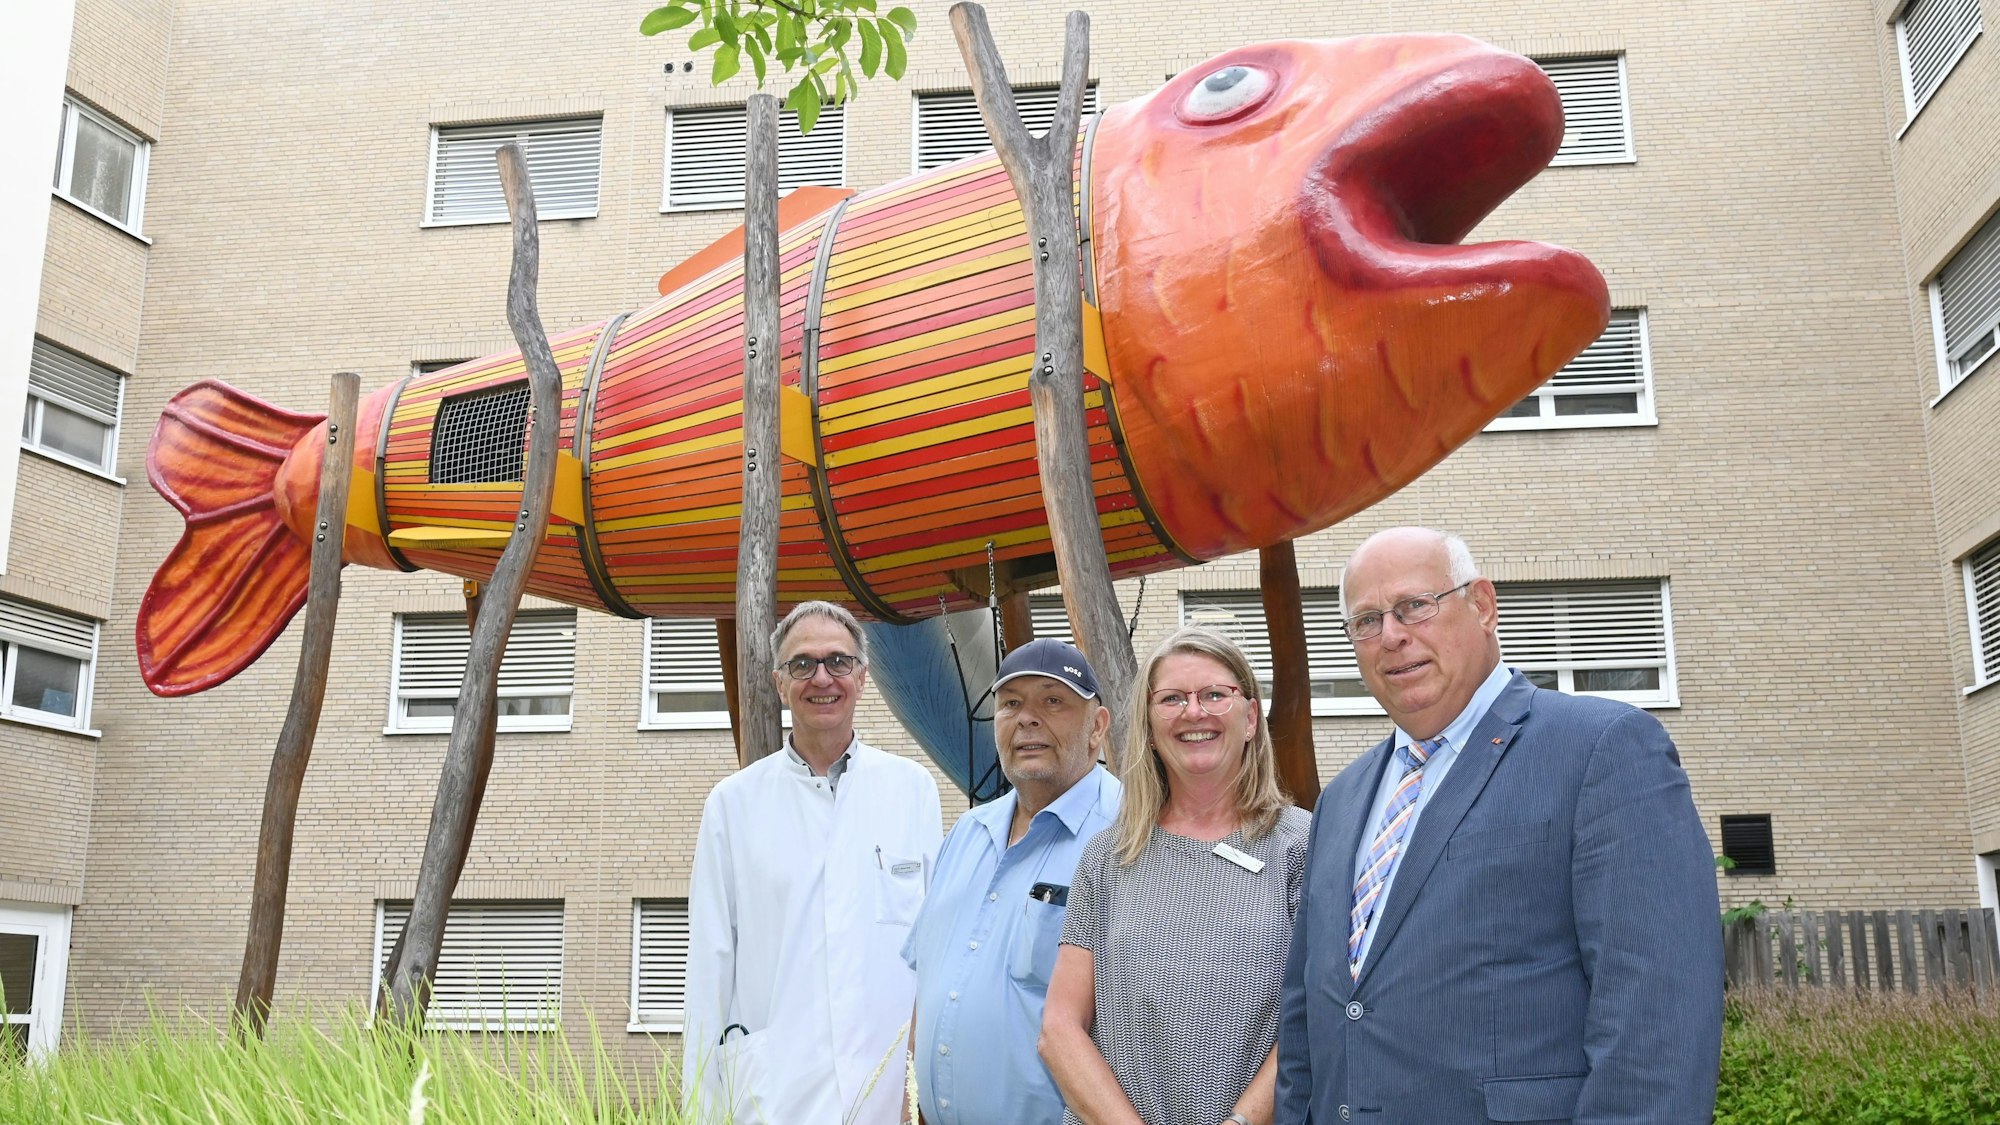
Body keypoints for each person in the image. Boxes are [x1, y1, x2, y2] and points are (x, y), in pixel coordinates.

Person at [1276, 527, 1723, 1124]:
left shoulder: (1601, 750)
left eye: (1414, 606)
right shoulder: (1343, 798)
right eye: (1365, 621)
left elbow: (1657, 1027)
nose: (1391, 636)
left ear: (1482, 605)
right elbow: (1310, 1015)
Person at [682, 601, 942, 1125]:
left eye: (838, 662)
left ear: (863, 677)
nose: (822, 677)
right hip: (775, 1094)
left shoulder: (913, 790)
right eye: (802, 664)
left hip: (886, 1091)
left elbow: (934, 952)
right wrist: (701, 1109)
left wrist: (931, 1091)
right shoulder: (733, 805)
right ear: (780, 684)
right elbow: (709, 969)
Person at [1043, 627, 1310, 1125]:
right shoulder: (1109, 854)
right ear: (1147, 724)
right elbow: (1059, 1028)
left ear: (1251, 718)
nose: (1194, 712)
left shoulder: (1301, 846)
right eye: (1172, 699)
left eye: (1214, 694)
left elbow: (1313, 1019)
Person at [904, 637, 1123, 1125]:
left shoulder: (1127, 834)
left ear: (1098, 726)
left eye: (1053, 700)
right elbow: (931, 977)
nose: (1027, 718)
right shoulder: (966, 833)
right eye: (1010, 703)